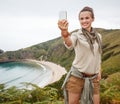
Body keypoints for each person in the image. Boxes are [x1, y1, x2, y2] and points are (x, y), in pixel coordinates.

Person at [58, 6, 102, 104]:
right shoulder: (76, 35)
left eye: (87, 18)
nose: (84, 21)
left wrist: (99, 70)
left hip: (93, 79)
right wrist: (64, 33)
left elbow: (98, 55)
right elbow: (69, 43)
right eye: (81, 19)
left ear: (92, 19)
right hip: (77, 77)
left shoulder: (98, 37)